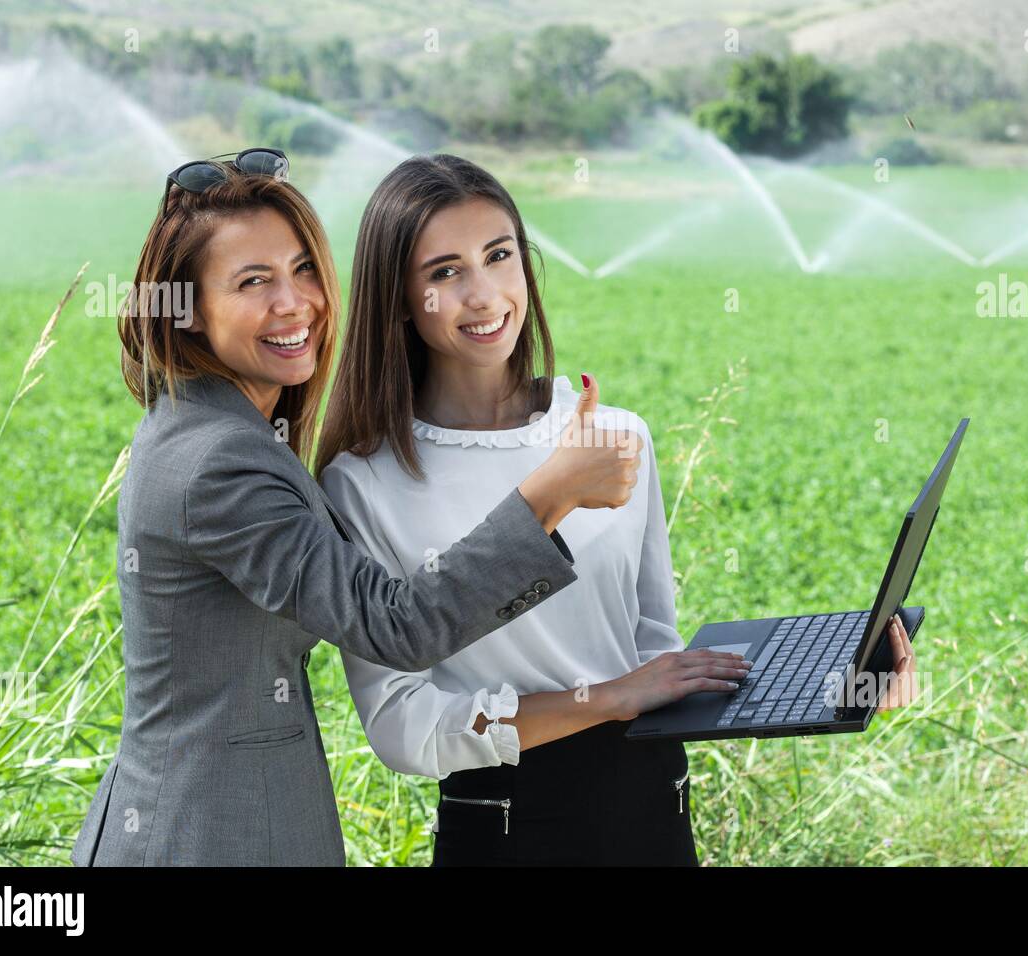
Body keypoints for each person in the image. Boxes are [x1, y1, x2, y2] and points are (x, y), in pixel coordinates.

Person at [71, 149, 638, 866]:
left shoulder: (214, 426)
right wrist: (553, 491)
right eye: (253, 282)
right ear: (188, 315)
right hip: (208, 836)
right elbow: (393, 625)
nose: (294, 303)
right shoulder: (217, 462)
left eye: (303, 268)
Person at [318, 154, 759, 865]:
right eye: (445, 272)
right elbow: (402, 725)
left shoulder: (617, 436)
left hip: (654, 814)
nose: (485, 294)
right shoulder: (363, 483)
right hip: (506, 829)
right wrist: (607, 699)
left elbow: (655, 656)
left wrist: (839, 689)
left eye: (499, 256)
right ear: (399, 298)